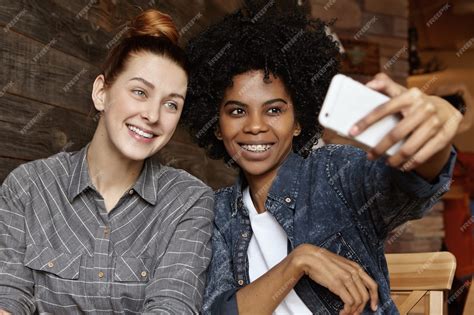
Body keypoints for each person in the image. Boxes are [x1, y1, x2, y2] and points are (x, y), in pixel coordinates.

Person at [182, 6, 461, 315]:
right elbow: (219, 312)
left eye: (274, 109)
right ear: (217, 126)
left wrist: (437, 125)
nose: (255, 126)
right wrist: (299, 262)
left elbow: (413, 183)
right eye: (237, 111)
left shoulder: (334, 174)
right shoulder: (216, 214)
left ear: (299, 121)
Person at [0, 9, 214, 314]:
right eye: (140, 92)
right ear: (102, 92)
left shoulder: (188, 201)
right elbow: (7, 297)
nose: (153, 116)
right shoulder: (28, 187)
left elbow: (173, 305)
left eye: (171, 104)